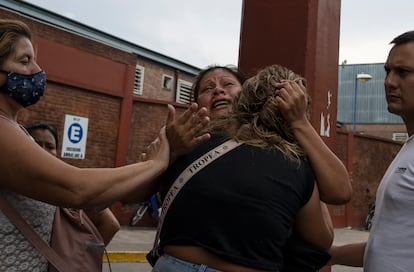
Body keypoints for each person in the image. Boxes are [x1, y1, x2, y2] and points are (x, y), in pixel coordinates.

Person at [0, 19, 171, 271]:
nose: (37, 69)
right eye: (25, 61)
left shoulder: (15, 128)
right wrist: (155, 163)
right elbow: (77, 187)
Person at [151, 64, 346, 272]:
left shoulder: (287, 158)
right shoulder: (185, 143)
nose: (218, 90)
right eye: (207, 88)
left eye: (228, 84)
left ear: (247, 96)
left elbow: (340, 192)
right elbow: (323, 235)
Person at [328, 30, 414, 272]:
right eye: (388, 71)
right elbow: (387, 247)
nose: (389, 81)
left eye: (403, 72)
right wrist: (329, 255)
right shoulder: (408, 149)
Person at [24, 121, 120, 245]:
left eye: (50, 146)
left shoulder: (63, 186)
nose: (43, 151)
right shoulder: (10, 178)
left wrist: (82, 258)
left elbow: (110, 225)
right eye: (36, 144)